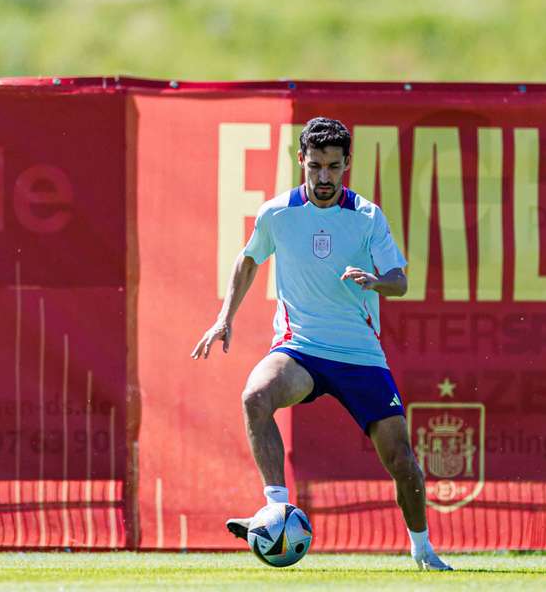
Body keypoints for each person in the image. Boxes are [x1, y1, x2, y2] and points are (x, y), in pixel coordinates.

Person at [191, 117, 452, 571]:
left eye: (334, 167)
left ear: (347, 163)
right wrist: (224, 317)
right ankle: (276, 509)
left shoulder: (367, 216)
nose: (325, 177)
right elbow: (248, 259)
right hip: (301, 349)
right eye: (316, 167)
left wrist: (376, 281)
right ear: (301, 163)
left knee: (401, 459)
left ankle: (423, 550)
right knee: (255, 395)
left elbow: (401, 281)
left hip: (360, 357)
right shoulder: (277, 213)